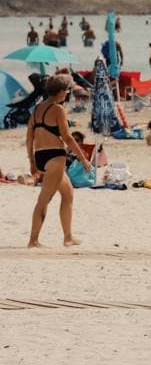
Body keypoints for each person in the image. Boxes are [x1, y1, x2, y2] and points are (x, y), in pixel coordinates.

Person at [25, 75, 83, 248]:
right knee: (44, 200)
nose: (67, 93)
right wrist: (83, 159)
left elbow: (29, 138)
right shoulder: (58, 109)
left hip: (41, 156)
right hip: (55, 157)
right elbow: (67, 137)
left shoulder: (36, 110)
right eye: (67, 90)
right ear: (60, 91)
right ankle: (33, 240)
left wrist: (32, 162)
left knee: (68, 194)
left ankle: (68, 237)